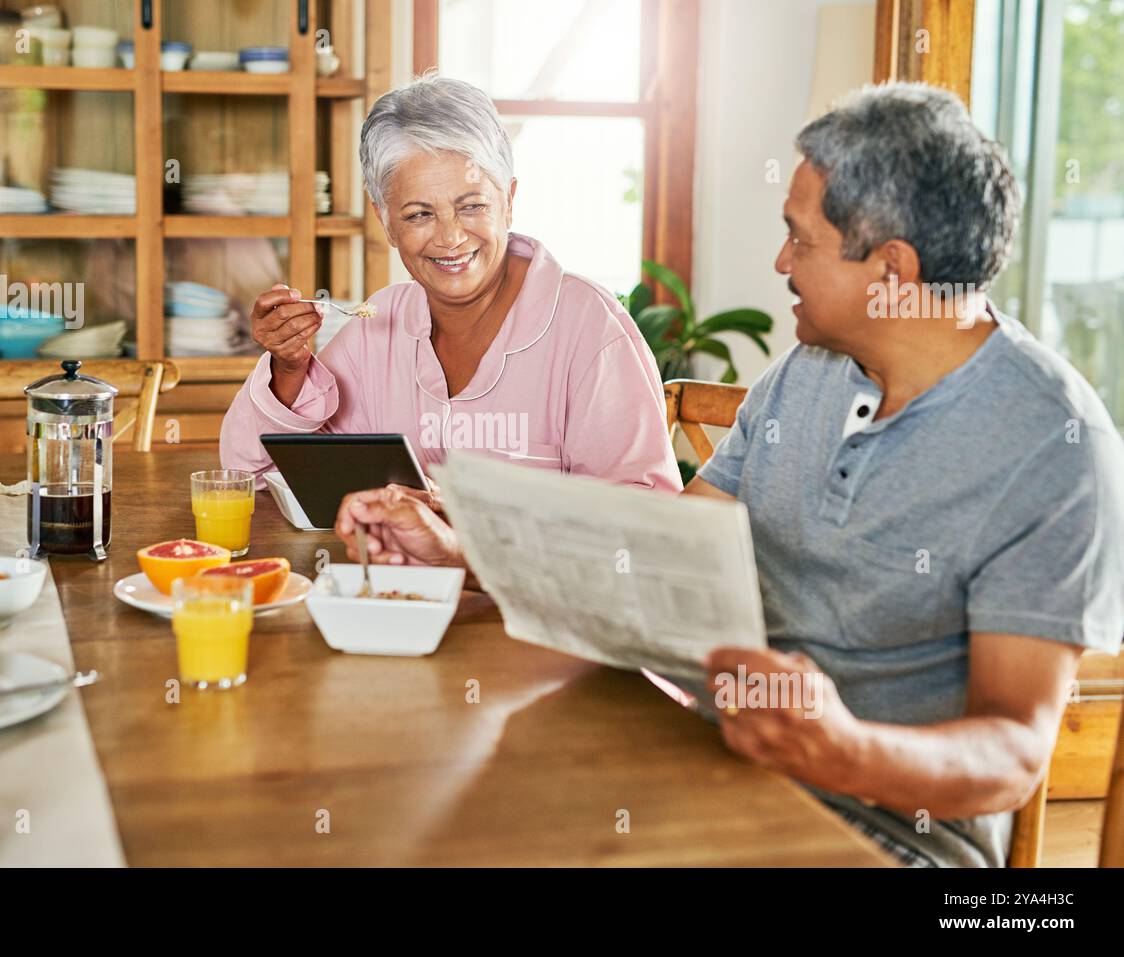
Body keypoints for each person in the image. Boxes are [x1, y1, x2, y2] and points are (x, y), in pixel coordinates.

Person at [333, 83, 1124, 867]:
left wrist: (847, 750)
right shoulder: (805, 374)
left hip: (877, 831)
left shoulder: (1051, 442)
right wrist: (463, 548)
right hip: (704, 757)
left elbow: (1014, 749)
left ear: (892, 268)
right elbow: (658, 556)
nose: (780, 262)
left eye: (800, 240)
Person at [219, 75, 679, 493]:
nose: (451, 238)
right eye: (419, 214)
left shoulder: (591, 328)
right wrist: (290, 369)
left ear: (509, 200)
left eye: (472, 206)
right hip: (395, 587)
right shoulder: (379, 325)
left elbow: (644, 523)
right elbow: (254, 478)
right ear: (386, 222)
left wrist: (469, 541)